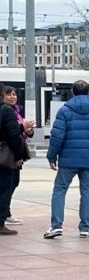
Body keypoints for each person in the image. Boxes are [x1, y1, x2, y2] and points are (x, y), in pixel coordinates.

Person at [43, 80, 89, 239]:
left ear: (73, 91)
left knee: (59, 190)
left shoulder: (65, 111)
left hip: (68, 160)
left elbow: (57, 136)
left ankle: (56, 225)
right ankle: (85, 227)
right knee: (87, 192)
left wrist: (52, 156)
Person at [2, 85, 34, 225]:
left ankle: (6, 212)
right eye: (9, 94)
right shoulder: (7, 111)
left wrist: (28, 131)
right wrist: (18, 157)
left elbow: (18, 131)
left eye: (14, 94)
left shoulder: (16, 111)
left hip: (13, 151)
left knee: (13, 183)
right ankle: (4, 214)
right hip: (9, 154)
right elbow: (11, 133)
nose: (12, 97)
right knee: (7, 185)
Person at [0, 99, 26, 236]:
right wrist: (18, 156)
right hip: (3, 158)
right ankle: (0, 223)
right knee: (5, 188)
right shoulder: (6, 110)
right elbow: (13, 135)